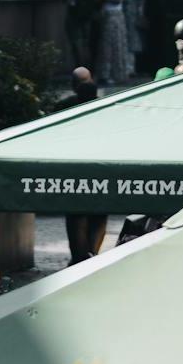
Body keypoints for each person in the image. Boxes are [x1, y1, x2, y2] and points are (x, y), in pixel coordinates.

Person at [59, 70, 108, 264]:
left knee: (76, 215)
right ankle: (91, 255)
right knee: (99, 214)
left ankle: (79, 258)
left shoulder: (64, 107)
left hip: (74, 169)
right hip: (102, 169)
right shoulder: (105, 109)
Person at [96, 0, 132, 85]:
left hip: (114, 14)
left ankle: (112, 73)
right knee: (108, 44)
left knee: (112, 44)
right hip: (109, 14)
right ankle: (108, 73)